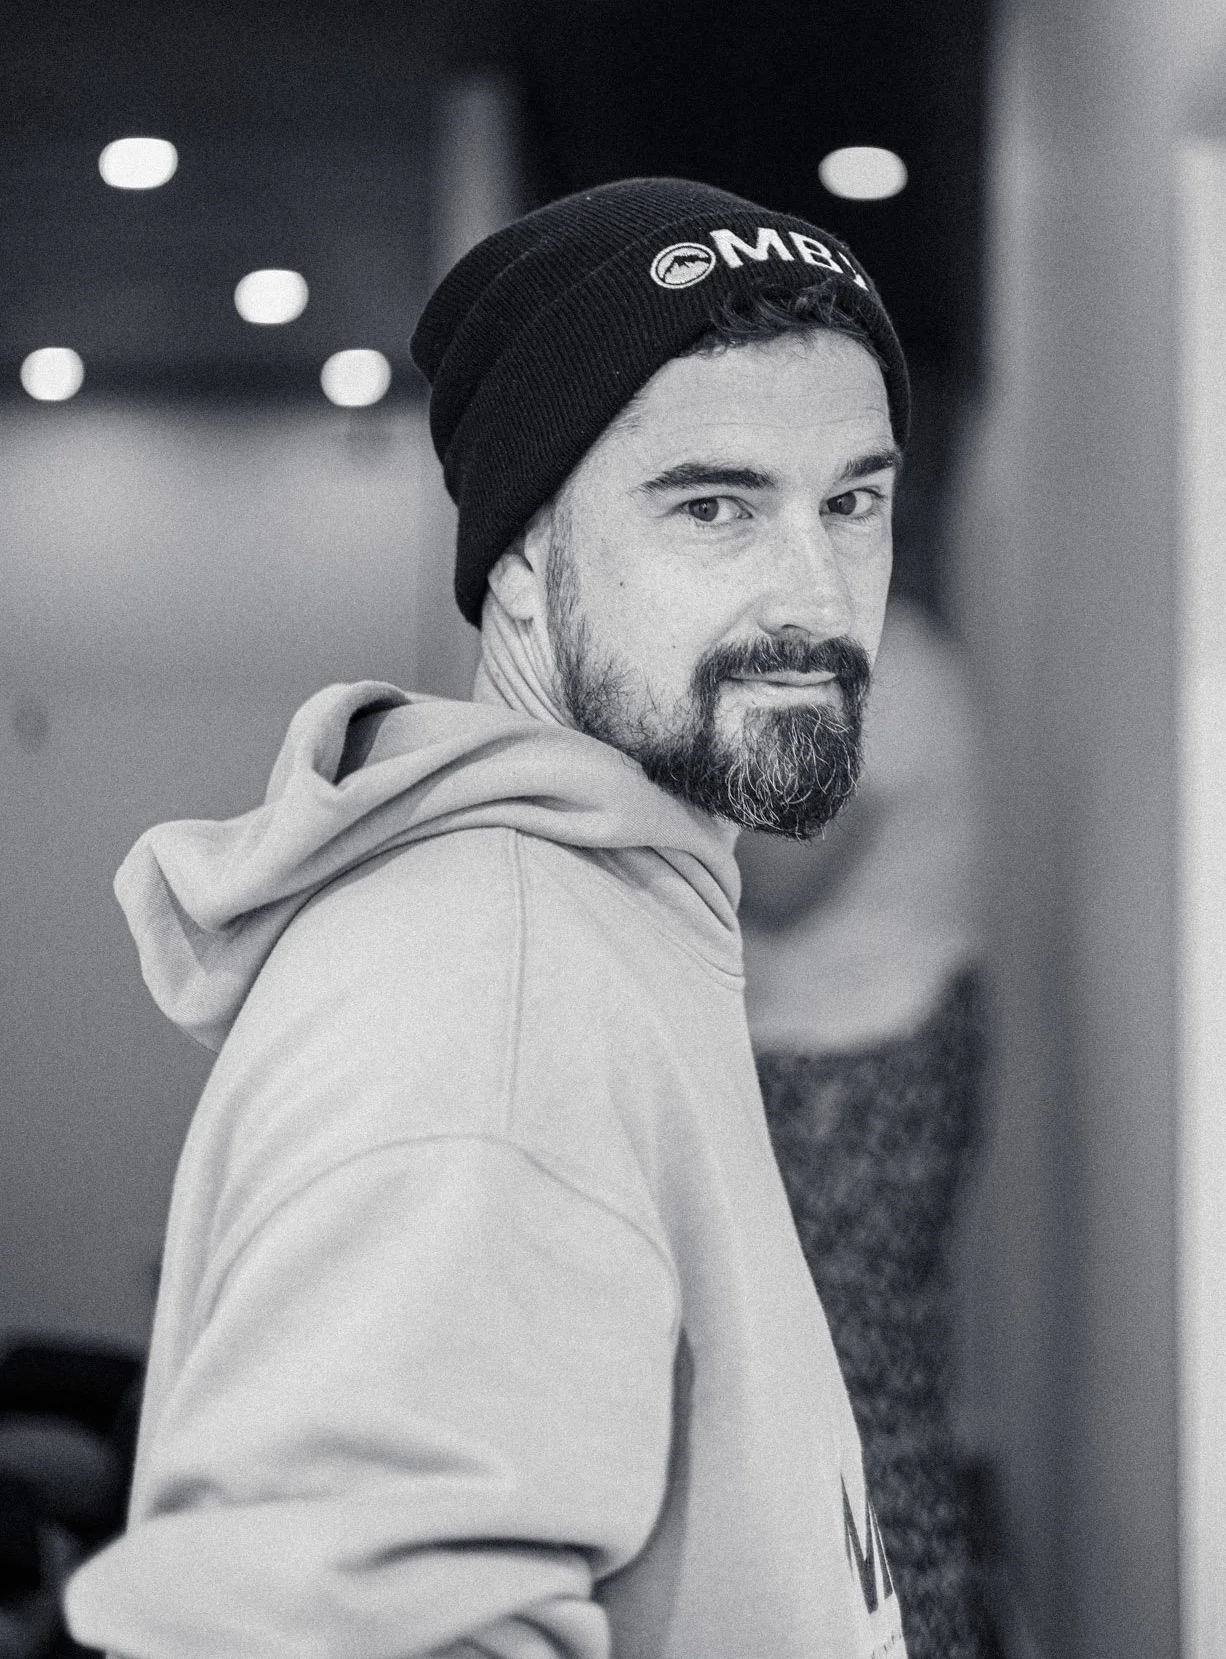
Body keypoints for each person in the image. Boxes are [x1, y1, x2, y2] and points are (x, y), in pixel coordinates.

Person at [64, 177, 913, 1659]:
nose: (818, 594)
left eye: (851, 501)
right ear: (519, 561)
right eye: (713, 506)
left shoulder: (609, 924)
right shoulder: (494, 996)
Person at [738, 595, 994, 1658]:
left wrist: (651, 761)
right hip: (849, 1054)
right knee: (850, 1399)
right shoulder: (867, 662)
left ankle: (923, 1636)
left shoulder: (889, 670)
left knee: (869, 1405)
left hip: (863, 1064)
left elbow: (781, 880)